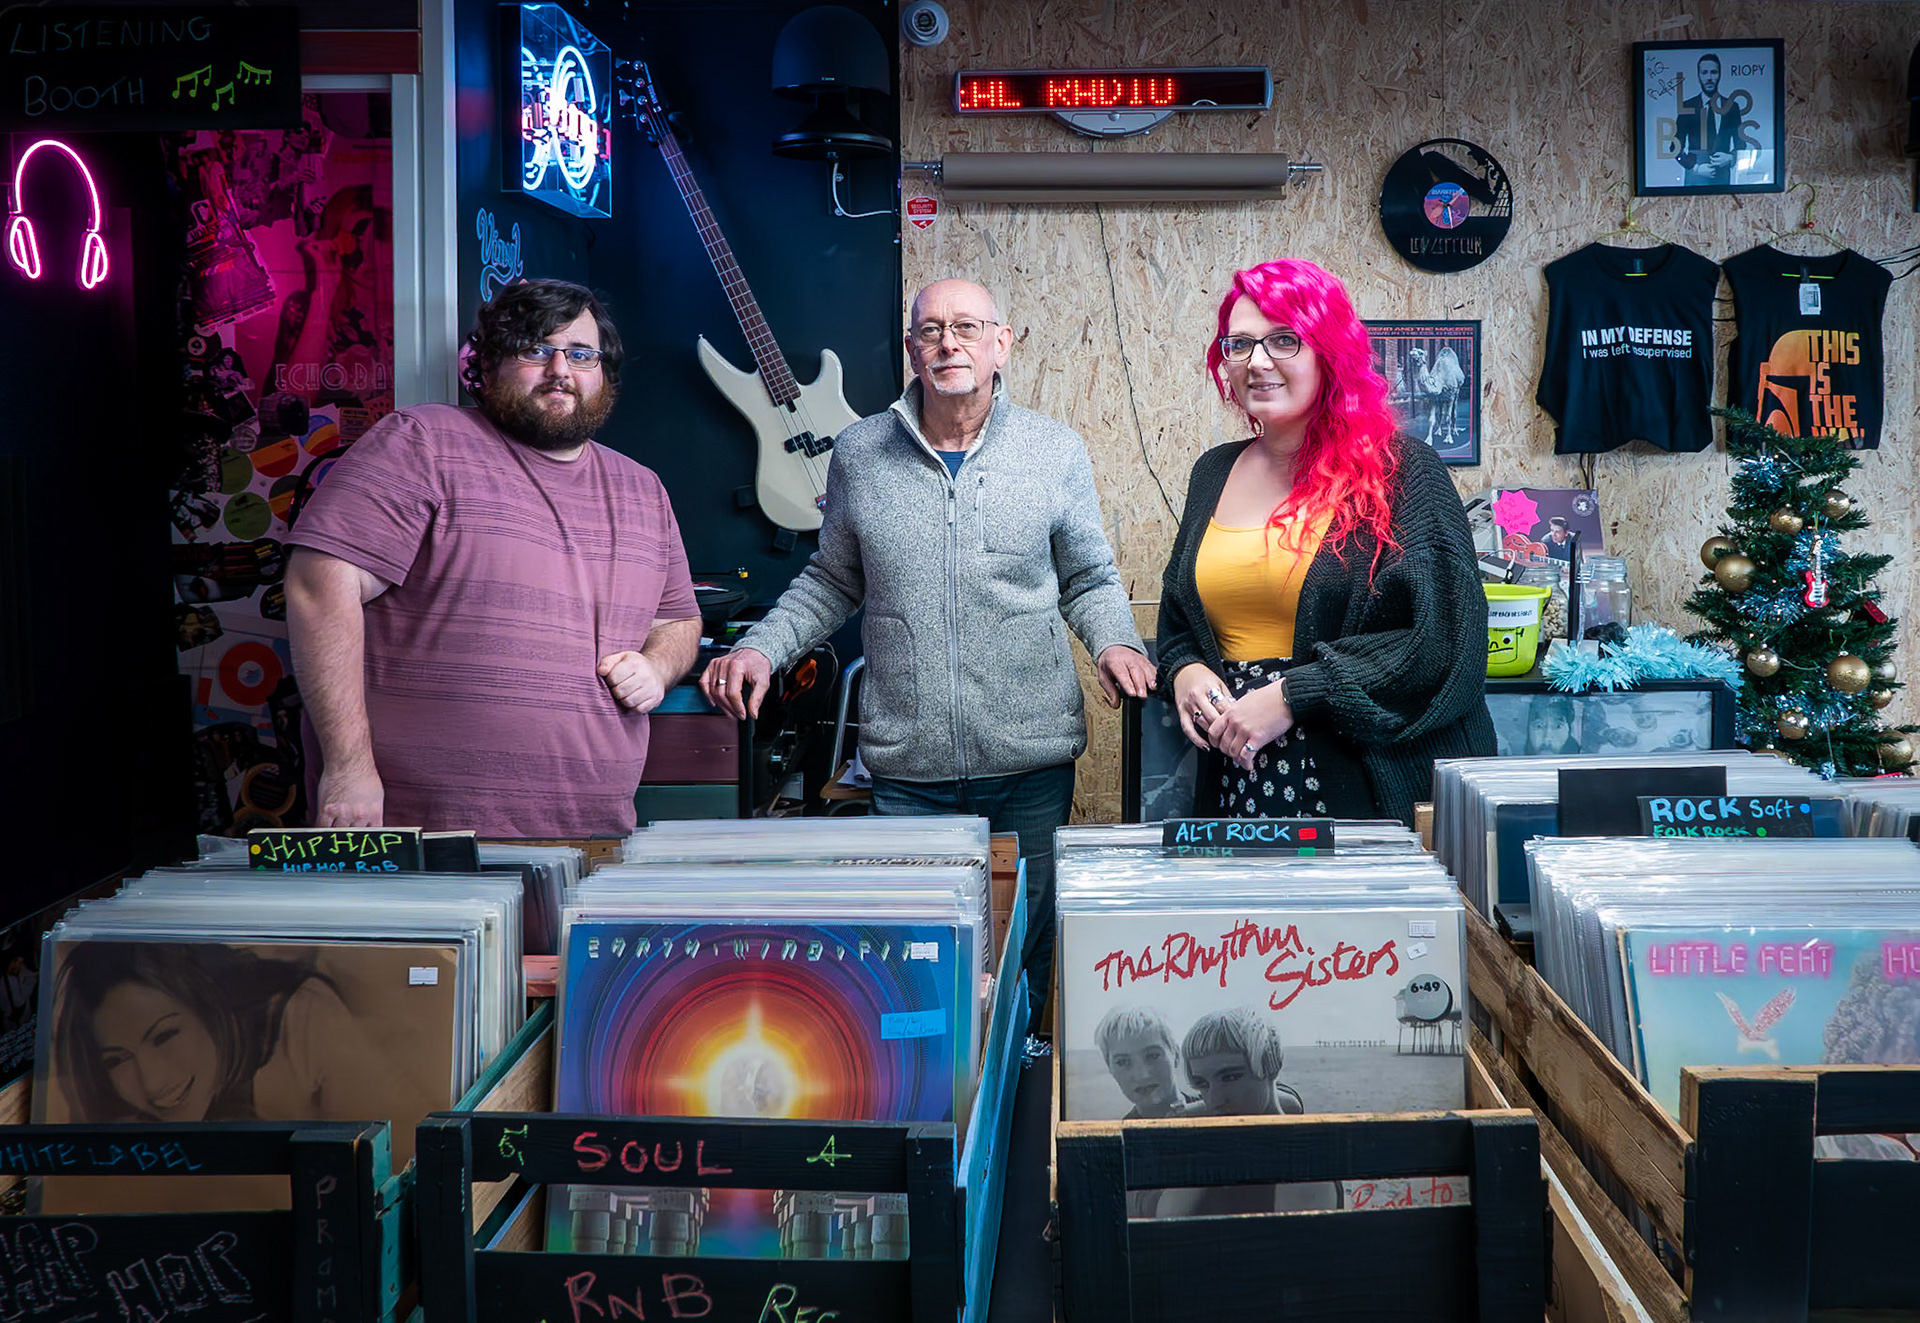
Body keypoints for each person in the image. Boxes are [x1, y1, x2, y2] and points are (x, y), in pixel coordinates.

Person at [701, 279, 1155, 991]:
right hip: (909, 771)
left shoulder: (1054, 451)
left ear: (1001, 344)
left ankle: (1024, 1083)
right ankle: (943, 1100)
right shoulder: (858, 453)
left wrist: (1116, 641)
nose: (950, 342)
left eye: (968, 327)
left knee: (1026, 951)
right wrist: (762, 644)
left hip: (1030, 763)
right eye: (932, 329)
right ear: (912, 349)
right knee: (920, 958)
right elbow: (831, 579)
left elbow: (1089, 577)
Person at [285, 279, 700, 836]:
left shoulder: (642, 489)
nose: (560, 370)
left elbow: (678, 619)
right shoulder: (423, 442)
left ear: (603, 371)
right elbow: (318, 586)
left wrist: (657, 665)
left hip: (593, 832)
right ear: (488, 365)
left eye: (580, 354)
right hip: (422, 830)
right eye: (535, 350)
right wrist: (348, 766)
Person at [1156, 259, 1495, 825]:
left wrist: (1294, 693)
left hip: (1367, 784)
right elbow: (1178, 621)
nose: (1257, 361)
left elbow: (1444, 645)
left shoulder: (1404, 472)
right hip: (1238, 782)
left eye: (1284, 340)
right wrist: (1185, 670)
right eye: (1239, 344)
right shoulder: (1212, 472)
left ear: (1328, 351)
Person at [51, 943, 392, 1125]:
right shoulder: (114, 1113)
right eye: (116, 1060)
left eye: (165, 1036)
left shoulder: (302, 1017)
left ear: (207, 1003)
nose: (152, 1082)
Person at [1154, 1009, 1337, 1217]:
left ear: (1270, 1067)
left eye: (1230, 1078)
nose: (1215, 1100)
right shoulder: (1209, 1153)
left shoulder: (1300, 1161)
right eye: (1202, 1084)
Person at [1094, 1005, 1196, 1119]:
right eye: (1122, 1062)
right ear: (1110, 1068)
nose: (1142, 1075)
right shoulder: (1121, 1134)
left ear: (1176, 1055)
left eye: (1153, 1056)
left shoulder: (1215, 1112)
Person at [1676, 54, 1741, 187]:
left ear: (1720, 74)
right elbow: (1675, 148)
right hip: (1694, 178)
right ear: (1699, 75)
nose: (1709, 77)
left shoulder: (1732, 107)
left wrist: (1731, 158)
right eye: (1704, 72)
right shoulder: (1687, 107)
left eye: (1713, 72)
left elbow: (1741, 144)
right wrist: (1695, 168)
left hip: (1722, 179)